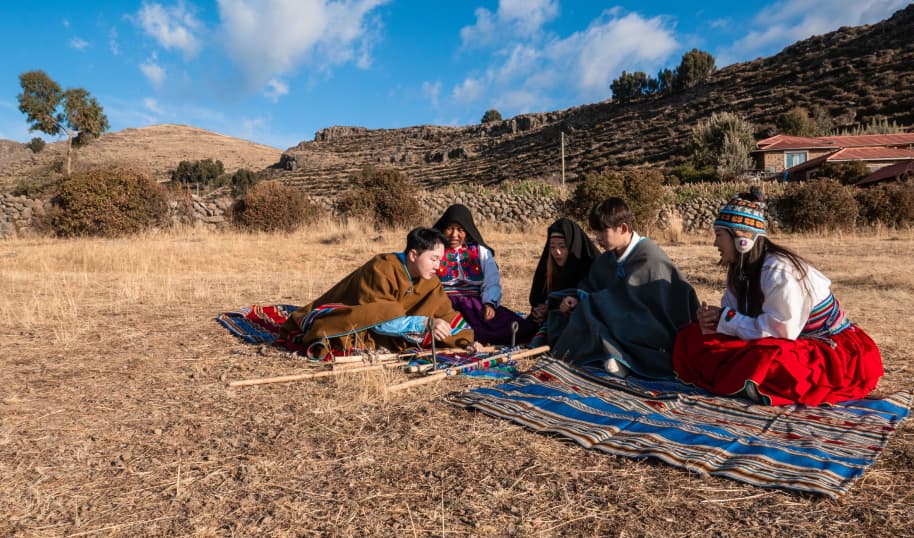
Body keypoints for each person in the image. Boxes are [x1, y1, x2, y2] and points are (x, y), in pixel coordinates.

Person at [672, 195, 884, 406]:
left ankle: (748, 381)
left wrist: (726, 319)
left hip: (823, 348)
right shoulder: (742, 271)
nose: (715, 243)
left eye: (719, 235)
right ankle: (746, 382)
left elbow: (782, 332)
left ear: (741, 239)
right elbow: (734, 314)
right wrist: (713, 319)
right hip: (773, 337)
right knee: (692, 335)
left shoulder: (779, 271)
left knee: (769, 359)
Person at [539, 198, 699, 379]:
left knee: (594, 309)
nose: (597, 238)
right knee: (572, 310)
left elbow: (662, 309)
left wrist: (603, 303)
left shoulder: (651, 258)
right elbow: (592, 287)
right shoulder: (608, 258)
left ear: (622, 228)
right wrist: (575, 299)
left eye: (602, 231)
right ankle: (612, 355)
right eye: (595, 232)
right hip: (622, 320)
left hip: (652, 329)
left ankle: (622, 357)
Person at [279, 227, 476, 358]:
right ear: (413, 255)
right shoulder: (382, 268)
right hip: (350, 316)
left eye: (440, 260)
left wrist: (466, 342)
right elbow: (380, 318)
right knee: (343, 338)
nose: (438, 266)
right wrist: (425, 323)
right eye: (434, 259)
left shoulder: (431, 282)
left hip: (386, 330)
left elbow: (447, 314)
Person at [432, 204, 536, 345]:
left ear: (468, 230)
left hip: (474, 306)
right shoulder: (433, 250)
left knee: (516, 328)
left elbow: (492, 281)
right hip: (444, 306)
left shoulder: (480, 252)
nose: (454, 235)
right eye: (450, 228)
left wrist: (489, 304)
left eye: (460, 229)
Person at [528, 218, 600, 324]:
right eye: (552, 247)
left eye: (562, 246)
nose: (557, 252)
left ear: (572, 246)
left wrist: (552, 310)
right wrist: (540, 310)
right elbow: (538, 298)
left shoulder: (592, 267)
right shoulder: (549, 266)